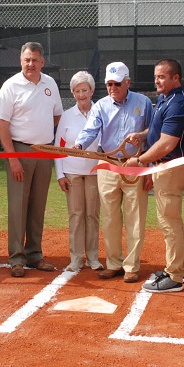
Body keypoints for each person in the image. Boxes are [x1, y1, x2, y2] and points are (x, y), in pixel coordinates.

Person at [76, 62, 154, 282]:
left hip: (135, 164)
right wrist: (80, 145)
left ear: (127, 82)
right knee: (110, 218)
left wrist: (142, 137)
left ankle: (131, 266)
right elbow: (90, 129)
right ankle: (114, 263)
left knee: (134, 217)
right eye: (109, 84)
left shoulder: (144, 102)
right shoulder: (100, 105)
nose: (113, 88)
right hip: (108, 164)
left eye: (117, 84)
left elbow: (154, 131)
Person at [0, 42, 63, 277]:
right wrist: (12, 158)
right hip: (19, 151)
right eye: (26, 59)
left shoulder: (50, 84)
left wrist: (42, 137)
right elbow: (2, 124)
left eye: (35, 60)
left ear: (42, 62)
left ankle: (34, 254)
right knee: (17, 207)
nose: (30, 64)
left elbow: (56, 116)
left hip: (44, 152)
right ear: (20, 61)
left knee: (37, 206)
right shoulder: (11, 86)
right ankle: (17, 258)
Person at [125, 59, 184, 294]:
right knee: (170, 219)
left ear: (176, 78)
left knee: (168, 221)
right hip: (164, 166)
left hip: (170, 166)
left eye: (162, 77)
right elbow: (157, 132)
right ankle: (179, 269)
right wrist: (142, 136)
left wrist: (140, 161)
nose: (157, 81)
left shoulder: (178, 103)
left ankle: (174, 276)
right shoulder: (165, 99)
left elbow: (167, 143)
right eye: (156, 76)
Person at [55, 71, 102, 272]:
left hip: (95, 172)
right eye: (77, 91)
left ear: (91, 90)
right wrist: (60, 174)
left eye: (85, 90)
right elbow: (58, 146)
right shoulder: (66, 116)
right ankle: (75, 258)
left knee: (92, 215)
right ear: (72, 93)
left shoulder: (100, 112)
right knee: (76, 214)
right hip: (72, 173)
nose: (81, 94)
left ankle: (93, 257)